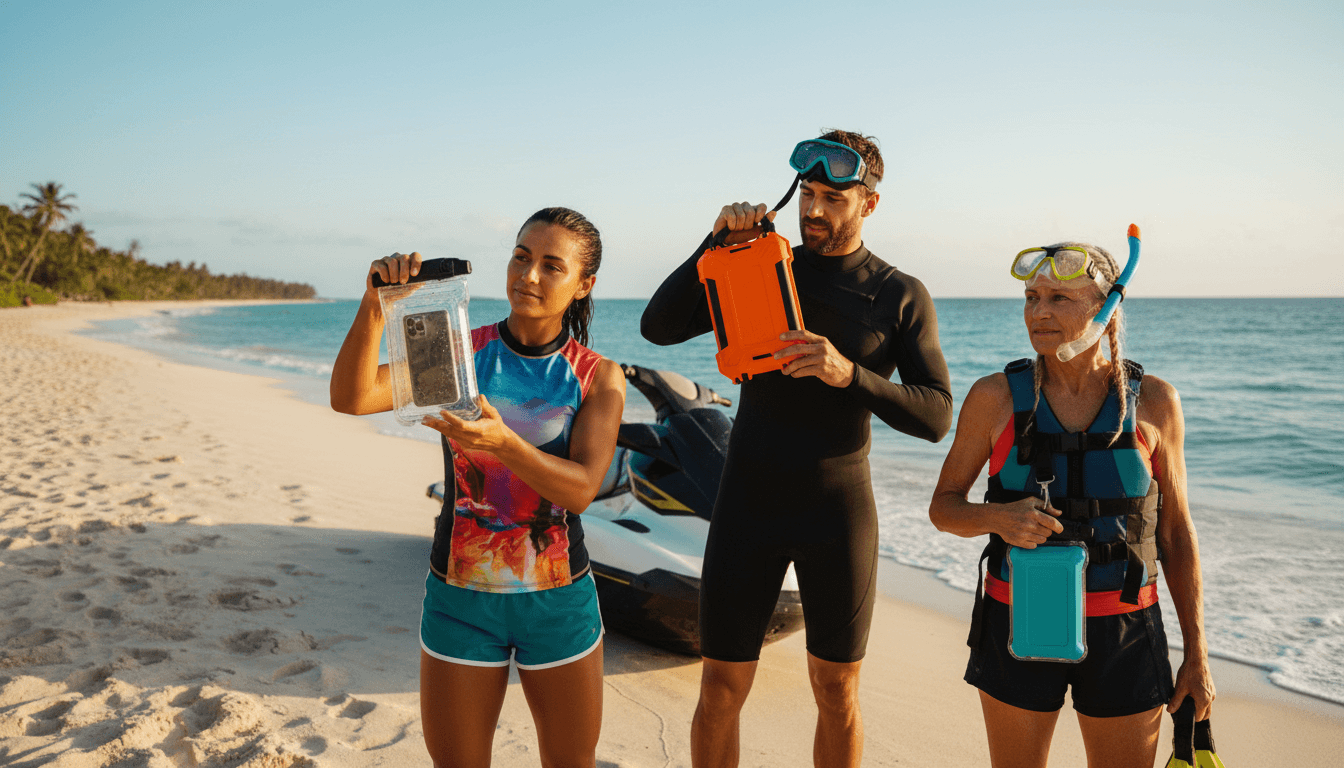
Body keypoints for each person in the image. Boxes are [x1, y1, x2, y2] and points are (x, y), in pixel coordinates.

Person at [641, 130, 953, 768]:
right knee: (721, 686)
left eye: (833, 198)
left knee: (836, 690)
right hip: (747, 505)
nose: (814, 209)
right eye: (807, 193)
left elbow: (936, 415)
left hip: (837, 511)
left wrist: (850, 375)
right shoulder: (755, 265)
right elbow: (658, 327)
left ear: (869, 203)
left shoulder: (897, 294)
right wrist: (713, 243)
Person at [331, 207, 625, 768]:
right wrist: (374, 305)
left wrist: (504, 443)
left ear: (584, 285)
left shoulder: (596, 375)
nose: (528, 275)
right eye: (520, 257)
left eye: (551, 266)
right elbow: (352, 397)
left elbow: (582, 490)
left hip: (558, 600)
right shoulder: (459, 353)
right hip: (460, 595)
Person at [928, 241, 1215, 767]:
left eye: (1059, 298)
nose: (1038, 312)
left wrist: (1197, 653)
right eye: (1031, 297)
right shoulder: (994, 398)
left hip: (1126, 627)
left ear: (1107, 310)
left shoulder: (1155, 402)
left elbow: (1176, 533)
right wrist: (998, 518)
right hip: (1019, 620)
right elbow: (944, 508)